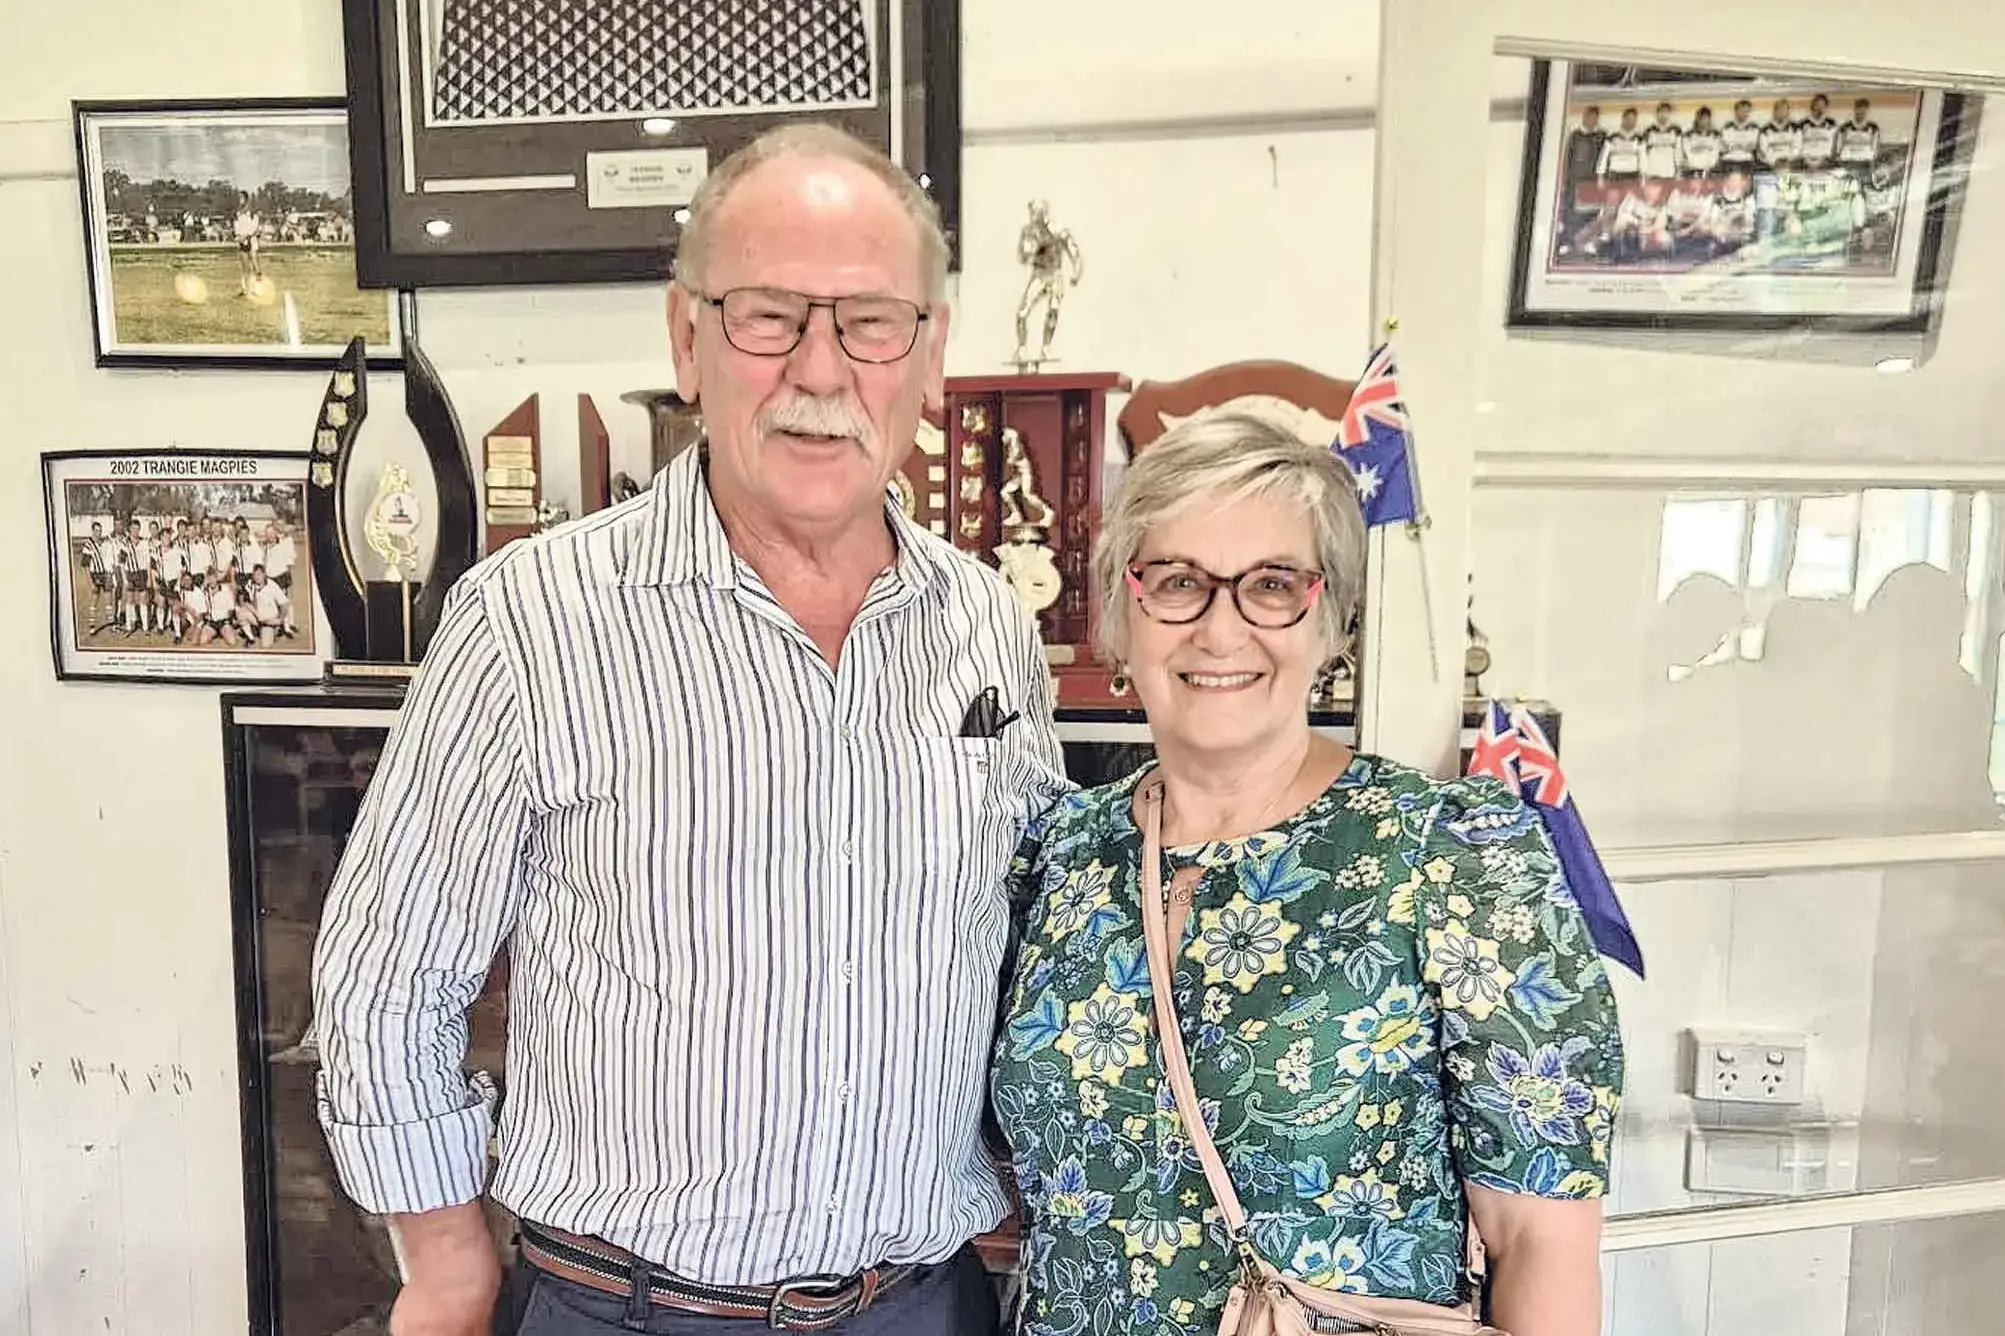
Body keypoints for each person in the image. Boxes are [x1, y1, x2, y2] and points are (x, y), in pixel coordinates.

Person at [310, 121, 1069, 1336]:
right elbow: (385, 978)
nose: (821, 372)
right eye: (769, 315)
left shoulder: (982, 619)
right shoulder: (532, 617)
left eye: (871, 322)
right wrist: (448, 1268)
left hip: (924, 1306)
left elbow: (1027, 943)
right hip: (629, 1310)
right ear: (687, 336)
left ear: (929, 357)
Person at [991, 413, 1625, 1336]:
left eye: (1271, 586)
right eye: (1175, 582)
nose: (1220, 628)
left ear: (1328, 623)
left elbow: (1540, 1236)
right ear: (1120, 619)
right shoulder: (1058, 851)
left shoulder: (1450, 854)